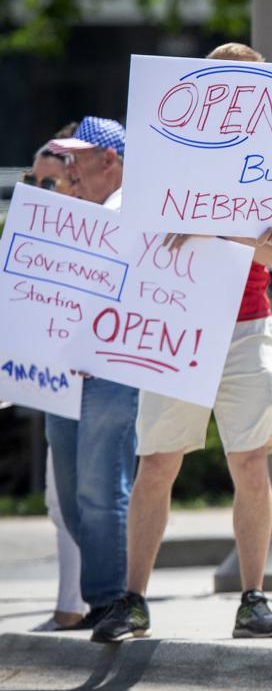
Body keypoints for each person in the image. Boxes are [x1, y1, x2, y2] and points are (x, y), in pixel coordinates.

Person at [91, 43, 272, 644]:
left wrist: (214, 223)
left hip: (246, 326)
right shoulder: (167, 159)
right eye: (229, 82)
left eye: (253, 85)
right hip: (175, 325)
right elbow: (131, 232)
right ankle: (133, 601)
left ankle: (253, 599)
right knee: (157, 462)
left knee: (251, 460)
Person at [42, 117, 140, 629]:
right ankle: (105, 595)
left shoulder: (136, 211)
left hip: (112, 370)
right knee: (73, 493)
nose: (67, 168)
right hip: (62, 371)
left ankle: (109, 601)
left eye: (76, 158)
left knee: (100, 490)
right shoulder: (70, 214)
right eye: (64, 158)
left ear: (111, 161)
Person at [22, 132, 87, 633]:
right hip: (51, 375)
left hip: (91, 376)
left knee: (85, 495)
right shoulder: (37, 232)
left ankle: (80, 604)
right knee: (57, 496)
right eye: (33, 180)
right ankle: (71, 602)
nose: (40, 189)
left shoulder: (101, 225)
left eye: (50, 180)